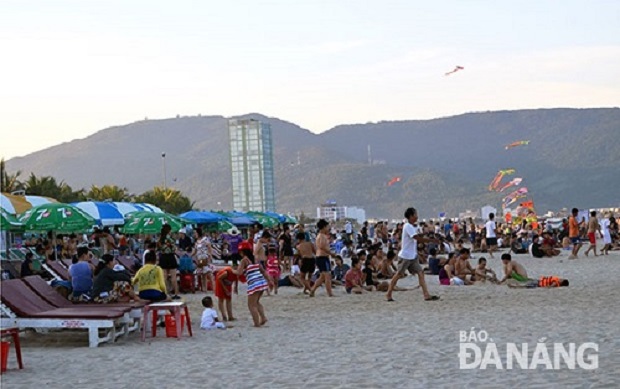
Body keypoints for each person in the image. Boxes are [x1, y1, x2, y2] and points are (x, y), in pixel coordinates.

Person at [386, 207, 440, 302]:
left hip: (412, 256)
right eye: (415, 214)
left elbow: (417, 237)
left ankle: (426, 295)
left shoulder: (411, 227)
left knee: (420, 273)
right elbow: (416, 238)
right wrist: (432, 240)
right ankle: (388, 294)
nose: (417, 216)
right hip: (405, 256)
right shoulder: (407, 226)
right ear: (411, 216)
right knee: (398, 274)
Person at [234, 240, 269, 327]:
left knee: (251, 305)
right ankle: (263, 317)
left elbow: (239, 272)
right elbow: (262, 270)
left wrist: (230, 269)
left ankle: (256, 323)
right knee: (257, 302)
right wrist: (269, 280)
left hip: (254, 284)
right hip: (261, 282)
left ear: (242, 252)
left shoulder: (244, 260)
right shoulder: (255, 258)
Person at [310, 219, 339, 297]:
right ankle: (330, 293)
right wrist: (331, 253)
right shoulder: (321, 236)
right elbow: (322, 246)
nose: (328, 228)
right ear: (323, 227)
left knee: (322, 277)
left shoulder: (323, 236)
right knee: (327, 276)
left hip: (323, 257)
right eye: (327, 226)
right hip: (321, 257)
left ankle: (312, 290)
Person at [158, 224, 180, 299]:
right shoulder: (171, 238)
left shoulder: (160, 238)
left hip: (163, 257)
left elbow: (159, 248)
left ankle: (166, 292)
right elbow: (174, 248)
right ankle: (176, 293)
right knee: (173, 276)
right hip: (170, 257)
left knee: (164, 277)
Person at [193, 227, 214, 293]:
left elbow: (209, 247)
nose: (194, 234)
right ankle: (205, 289)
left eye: (195, 233)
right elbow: (195, 251)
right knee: (203, 274)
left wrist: (209, 255)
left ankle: (214, 288)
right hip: (199, 259)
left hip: (205, 258)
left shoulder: (205, 239)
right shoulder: (196, 242)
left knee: (209, 273)